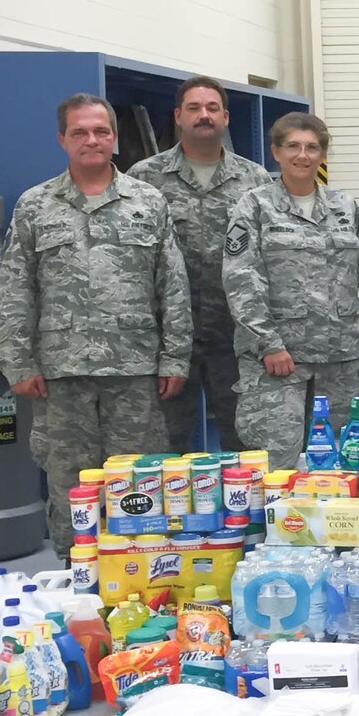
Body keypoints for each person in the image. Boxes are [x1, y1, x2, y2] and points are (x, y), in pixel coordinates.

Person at [0, 94, 191, 554]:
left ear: (115, 139)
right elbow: (16, 286)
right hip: (61, 375)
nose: (91, 141)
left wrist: (176, 357)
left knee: (140, 484)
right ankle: (76, 581)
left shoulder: (147, 201)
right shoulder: (36, 205)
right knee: (70, 489)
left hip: (135, 371)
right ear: (62, 139)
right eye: (79, 132)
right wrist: (16, 362)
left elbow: (173, 285)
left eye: (101, 131)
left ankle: (142, 580)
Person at [127, 75, 269, 453]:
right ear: (177, 116)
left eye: (211, 108)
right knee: (164, 442)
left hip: (234, 334)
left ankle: (245, 513)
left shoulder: (255, 179)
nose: (203, 115)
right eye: (193, 108)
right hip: (169, 335)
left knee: (245, 440)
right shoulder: (144, 178)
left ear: (225, 117)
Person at [222, 114, 359, 470]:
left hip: (339, 358)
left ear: (322, 155)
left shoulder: (345, 207)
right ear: (276, 152)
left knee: (344, 462)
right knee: (277, 464)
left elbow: (352, 274)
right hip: (279, 360)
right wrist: (268, 343)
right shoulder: (254, 206)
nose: (303, 155)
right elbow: (241, 279)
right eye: (294, 146)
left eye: (312, 147)